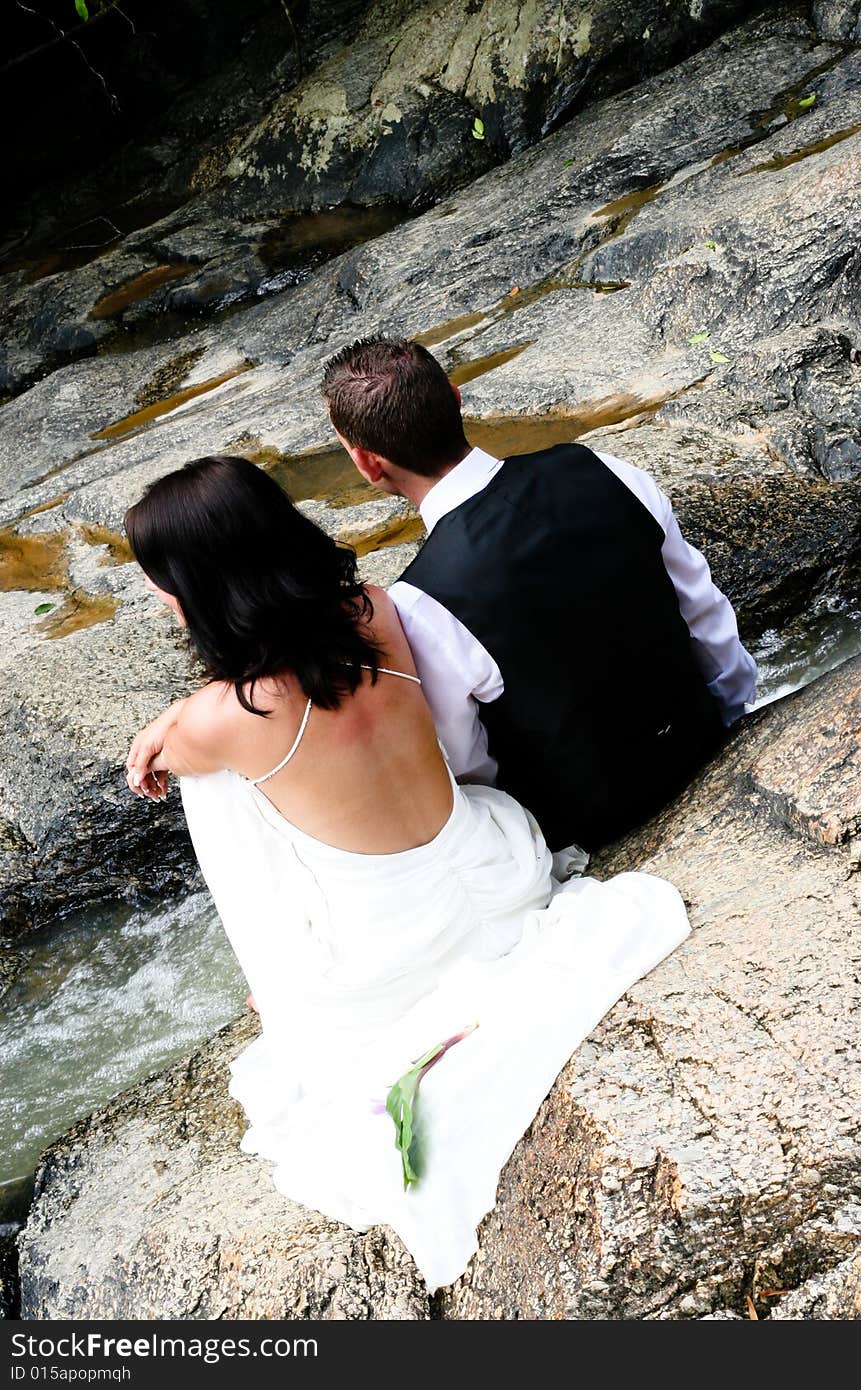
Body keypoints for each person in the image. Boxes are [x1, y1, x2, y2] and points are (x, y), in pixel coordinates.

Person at [124, 454, 690, 1293]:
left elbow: (225, 771)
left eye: (160, 581)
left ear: (199, 584)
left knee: (213, 799)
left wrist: (175, 724)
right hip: (502, 870)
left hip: (394, 954)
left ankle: (273, 983)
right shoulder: (375, 610)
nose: (156, 597)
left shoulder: (214, 725)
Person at [322, 335, 757, 852]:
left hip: (591, 825)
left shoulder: (421, 603)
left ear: (368, 464)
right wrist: (734, 719)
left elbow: (471, 767)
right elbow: (704, 613)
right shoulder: (601, 467)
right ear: (457, 400)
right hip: (703, 739)